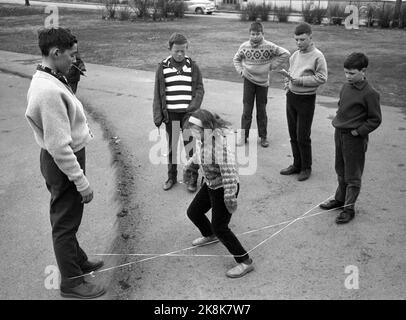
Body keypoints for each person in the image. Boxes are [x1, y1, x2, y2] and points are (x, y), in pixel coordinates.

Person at [25, 27, 105, 299]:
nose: (74, 60)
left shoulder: (50, 76)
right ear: (55, 53)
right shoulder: (47, 91)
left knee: (69, 217)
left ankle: (78, 260)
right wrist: (82, 182)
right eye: (71, 55)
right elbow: (59, 146)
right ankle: (71, 282)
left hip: (63, 157)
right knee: (65, 223)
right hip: (63, 161)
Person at [185, 109, 254, 278]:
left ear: (206, 129)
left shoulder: (219, 147)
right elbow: (199, 155)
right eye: (191, 128)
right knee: (193, 212)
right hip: (211, 185)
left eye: (195, 129)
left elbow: (230, 174)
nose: (192, 132)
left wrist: (229, 197)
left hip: (225, 187)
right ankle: (210, 235)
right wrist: (190, 165)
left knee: (220, 226)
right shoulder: (203, 140)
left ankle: (244, 261)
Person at [319, 52, 382, 224]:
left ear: (363, 71)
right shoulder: (346, 86)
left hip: (354, 138)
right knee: (340, 169)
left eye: (352, 73)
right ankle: (340, 199)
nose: (347, 76)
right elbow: (342, 106)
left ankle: (349, 208)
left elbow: (375, 119)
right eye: (346, 72)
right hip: (339, 134)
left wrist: (358, 132)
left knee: (352, 175)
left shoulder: (370, 93)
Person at [153, 33, 204, 192]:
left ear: (186, 48)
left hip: (188, 116)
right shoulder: (163, 67)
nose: (180, 54)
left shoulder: (193, 66)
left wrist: (193, 107)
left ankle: (191, 178)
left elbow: (200, 89)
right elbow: (157, 93)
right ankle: (171, 177)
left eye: (183, 50)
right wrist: (158, 115)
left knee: (190, 147)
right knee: (171, 148)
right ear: (170, 49)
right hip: (171, 115)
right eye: (176, 51)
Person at [280, 22, 328, 181]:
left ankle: (306, 167)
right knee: (293, 134)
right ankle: (297, 164)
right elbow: (291, 74)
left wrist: (299, 81)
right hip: (292, 98)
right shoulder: (295, 55)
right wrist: (288, 85)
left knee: (302, 136)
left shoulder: (318, 56)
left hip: (306, 99)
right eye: (296, 40)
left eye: (302, 39)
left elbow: (322, 78)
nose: (299, 43)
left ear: (310, 37)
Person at [233, 21, 290, 148]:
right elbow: (236, 59)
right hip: (248, 81)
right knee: (247, 110)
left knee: (261, 110)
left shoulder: (269, 46)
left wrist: (271, 65)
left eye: (257, 34)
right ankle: (244, 136)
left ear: (262, 34)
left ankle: (263, 137)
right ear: (249, 34)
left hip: (263, 83)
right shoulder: (244, 46)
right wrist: (241, 71)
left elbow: (285, 53)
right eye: (252, 34)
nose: (254, 36)